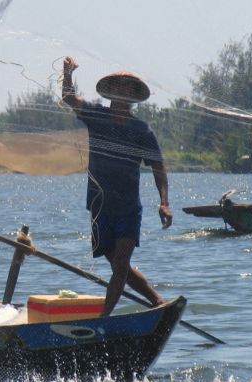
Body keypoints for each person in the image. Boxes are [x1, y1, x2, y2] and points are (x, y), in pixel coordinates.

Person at [62, 56, 173, 316]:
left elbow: (158, 166)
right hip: (100, 207)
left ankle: (104, 318)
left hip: (127, 208)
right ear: (110, 91)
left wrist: (164, 203)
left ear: (134, 96)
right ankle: (158, 303)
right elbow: (69, 98)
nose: (123, 91)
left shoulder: (141, 130)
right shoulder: (96, 116)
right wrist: (67, 74)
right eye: (119, 87)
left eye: (129, 88)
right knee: (119, 268)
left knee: (122, 263)